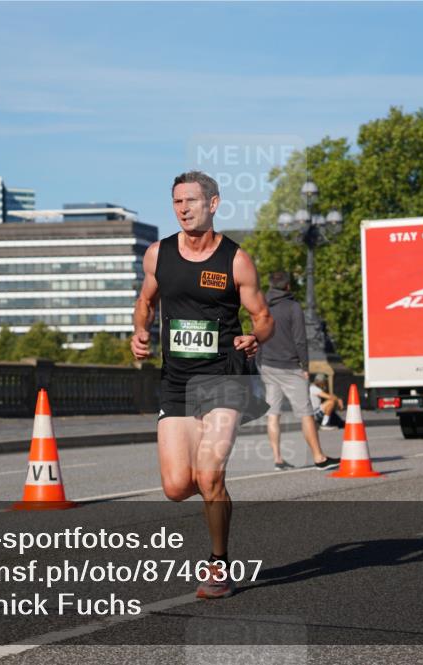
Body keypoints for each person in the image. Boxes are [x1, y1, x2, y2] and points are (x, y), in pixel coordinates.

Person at [131, 171, 273, 600]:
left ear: (213, 204)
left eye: (191, 201)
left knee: (209, 475)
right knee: (177, 487)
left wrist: (255, 336)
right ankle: (214, 495)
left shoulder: (235, 260)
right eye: (177, 202)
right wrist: (139, 331)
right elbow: (145, 301)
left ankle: (219, 562)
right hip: (176, 380)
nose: (183, 209)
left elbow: (263, 317)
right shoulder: (158, 255)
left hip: (225, 376)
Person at [257, 271, 341, 471]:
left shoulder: (262, 304)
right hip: (290, 366)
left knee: (273, 413)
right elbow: (300, 340)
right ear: (288, 286)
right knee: (306, 413)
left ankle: (278, 459)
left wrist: (259, 362)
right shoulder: (293, 307)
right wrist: (305, 367)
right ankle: (319, 457)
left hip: (267, 365)